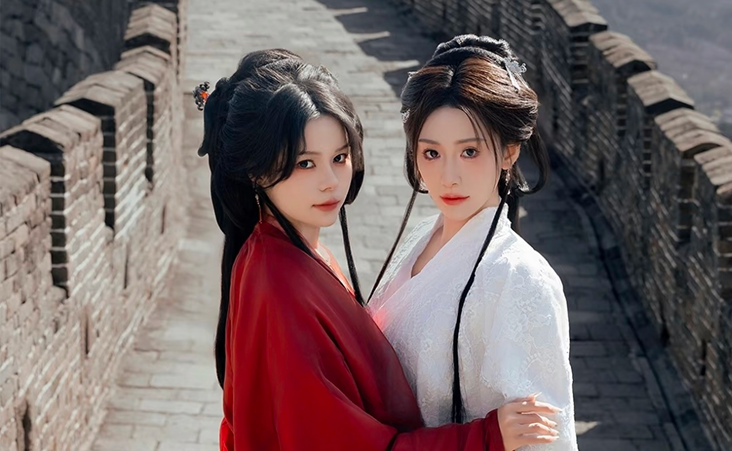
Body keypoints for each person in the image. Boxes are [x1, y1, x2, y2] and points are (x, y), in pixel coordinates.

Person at [196, 49, 561, 451]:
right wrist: (483, 438)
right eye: (304, 163)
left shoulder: (297, 253)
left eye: (339, 157)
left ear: (509, 152)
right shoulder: (279, 282)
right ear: (258, 170)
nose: (331, 182)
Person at [368, 35, 578, 449]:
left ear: (509, 152)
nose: (448, 176)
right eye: (431, 154)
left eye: (469, 152)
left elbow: (542, 439)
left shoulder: (518, 278)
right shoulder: (420, 238)